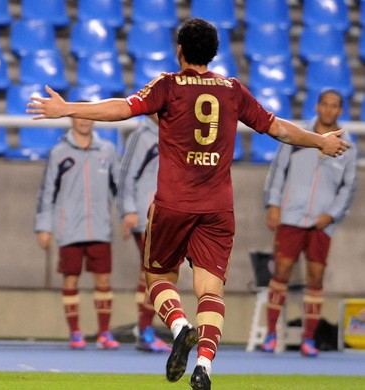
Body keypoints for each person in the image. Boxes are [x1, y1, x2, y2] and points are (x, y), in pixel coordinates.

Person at [27, 18, 349, 390]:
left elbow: (123, 108)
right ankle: (205, 368)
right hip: (217, 208)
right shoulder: (233, 90)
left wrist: (69, 109)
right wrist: (321, 141)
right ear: (214, 53)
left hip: (173, 204)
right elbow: (276, 127)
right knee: (210, 292)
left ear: (179, 50)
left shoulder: (169, 85)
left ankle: (179, 326)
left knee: (158, 279)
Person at [260, 89, 357, 357]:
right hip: (290, 216)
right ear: (317, 106)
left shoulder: (347, 145)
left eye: (334, 106)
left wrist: (332, 214)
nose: (328, 110)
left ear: (340, 110)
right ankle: (270, 335)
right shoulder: (297, 136)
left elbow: (348, 188)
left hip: (321, 223)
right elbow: (277, 171)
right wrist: (274, 205)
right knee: (281, 271)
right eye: (324, 104)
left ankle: (309, 339)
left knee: (315, 277)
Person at [34, 114, 122, 350]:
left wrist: (128, 214)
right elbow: (47, 191)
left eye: (88, 116)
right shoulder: (59, 153)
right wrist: (44, 226)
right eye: (78, 116)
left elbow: (120, 188)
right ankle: (75, 332)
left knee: (103, 279)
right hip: (69, 228)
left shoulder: (108, 150)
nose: (84, 121)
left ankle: (104, 333)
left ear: (94, 119)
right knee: (70, 279)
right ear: (71, 119)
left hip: (100, 228)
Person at [117, 114, 171, 353]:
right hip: (147, 214)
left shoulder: (175, 133)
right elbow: (126, 175)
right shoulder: (141, 136)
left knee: (157, 272)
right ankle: (145, 329)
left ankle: (145, 329)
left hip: (169, 214)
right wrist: (128, 210)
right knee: (154, 271)